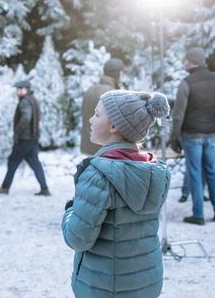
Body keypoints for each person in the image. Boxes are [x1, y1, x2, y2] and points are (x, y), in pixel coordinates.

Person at [62, 90, 171, 298]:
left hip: (104, 288)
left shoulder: (99, 175)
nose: (91, 120)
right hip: (146, 283)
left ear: (114, 126)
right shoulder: (156, 172)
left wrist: (70, 210)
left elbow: (78, 238)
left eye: (97, 114)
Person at [169, 47, 215, 225]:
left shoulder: (186, 83)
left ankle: (198, 215)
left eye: (186, 60)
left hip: (191, 134)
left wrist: (174, 137)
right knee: (212, 173)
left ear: (191, 61)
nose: (184, 63)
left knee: (195, 173)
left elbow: (178, 114)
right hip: (210, 134)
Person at [0, 80, 50, 196]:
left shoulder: (25, 102)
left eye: (21, 89)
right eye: (17, 89)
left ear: (27, 89)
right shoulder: (33, 99)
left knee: (12, 161)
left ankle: (5, 187)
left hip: (25, 138)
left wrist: (17, 131)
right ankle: (44, 189)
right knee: (35, 163)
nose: (18, 91)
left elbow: (26, 118)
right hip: (33, 138)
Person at [80, 58, 125, 155]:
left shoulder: (90, 90)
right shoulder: (113, 94)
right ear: (119, 74)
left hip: (89, 145)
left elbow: (83, 114)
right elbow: (117, 123)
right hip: (105, 148)